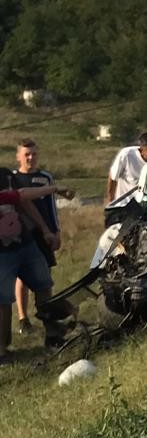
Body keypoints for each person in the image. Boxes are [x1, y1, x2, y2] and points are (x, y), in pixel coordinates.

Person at [12, 139, 71, 336]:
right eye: (26, 154)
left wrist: (56, 231)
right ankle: (23, 318)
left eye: (34, 154)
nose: (31, 158)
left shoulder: (45, 177)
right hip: (21, 234)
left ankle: (48, 318)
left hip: (43, 233)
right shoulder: (13, 178)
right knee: (22, 277)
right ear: (18, 156)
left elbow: (51, 207)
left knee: (45, 275)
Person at [0, 172, 60, 363]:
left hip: (25, 244)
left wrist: (45, 230)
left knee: (44, 286)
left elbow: (23, 201)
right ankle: (2, 351)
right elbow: (20, 195)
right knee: (2, 300)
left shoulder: (5, 174)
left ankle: (53, 334)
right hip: (1, 254)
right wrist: (55, 188)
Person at [106, 132, 147, 207]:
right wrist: (111, 202)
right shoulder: (127, 155)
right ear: (142, 148)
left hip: (144, 206)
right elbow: (113, 177)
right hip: (124, 205)